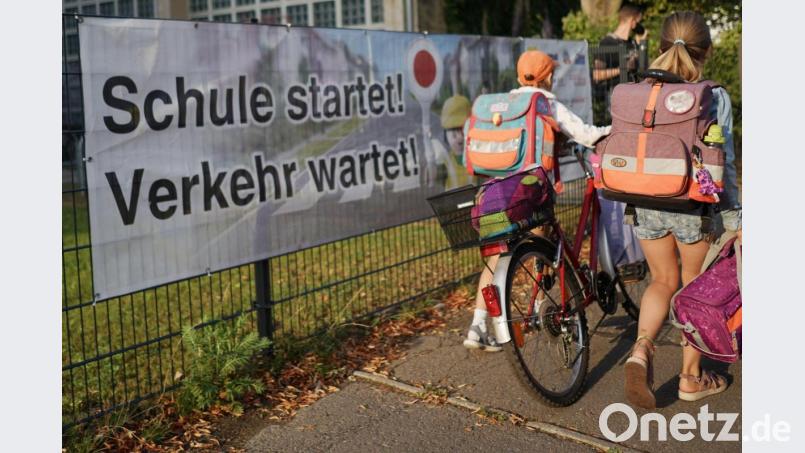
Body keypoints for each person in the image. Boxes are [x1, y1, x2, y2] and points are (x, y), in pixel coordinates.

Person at [622, 11, 742, 409]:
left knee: (661, 279)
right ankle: (690, 379)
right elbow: (724, 162)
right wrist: (736, 218)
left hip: (642, 199)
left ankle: (640, 350)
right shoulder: (713, 96)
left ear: (659, 47)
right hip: (692, 204)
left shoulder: (640, 90)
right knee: (692, 287)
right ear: (705, 50)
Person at [463, 50, 611, 351]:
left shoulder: (505, 105)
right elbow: (585, 135)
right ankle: (546, 306)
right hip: (530, 190)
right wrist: (612, 130)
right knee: (543, 241)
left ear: (519, 77)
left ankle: (477, 326)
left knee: (496, 257)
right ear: (549, 77)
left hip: (495, 191)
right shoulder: (545, 103)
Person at [592, 3, 648, 84]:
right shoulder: (607, 42)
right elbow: (597, 75)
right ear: (633, 22)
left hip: (634, 92)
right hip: (616, 94)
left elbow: (643, 70)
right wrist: (622, 68)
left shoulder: (632, 43)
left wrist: (641, 45)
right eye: (639, 22)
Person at [433, 94, 475, 191]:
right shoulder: (445, 160)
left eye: (463, 133)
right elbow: (436, 178)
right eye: (454, 135)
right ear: (445, 135)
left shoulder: (475, 158)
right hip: (451, 204)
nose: (459, 139)